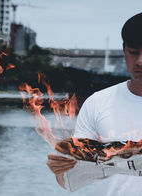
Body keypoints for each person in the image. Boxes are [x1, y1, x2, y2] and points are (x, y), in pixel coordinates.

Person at [47, 12, 142, 195]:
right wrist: (62, 169)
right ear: (124, 51)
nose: (140, 61)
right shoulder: (97, 103)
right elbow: (71, 178)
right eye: (134, 52)